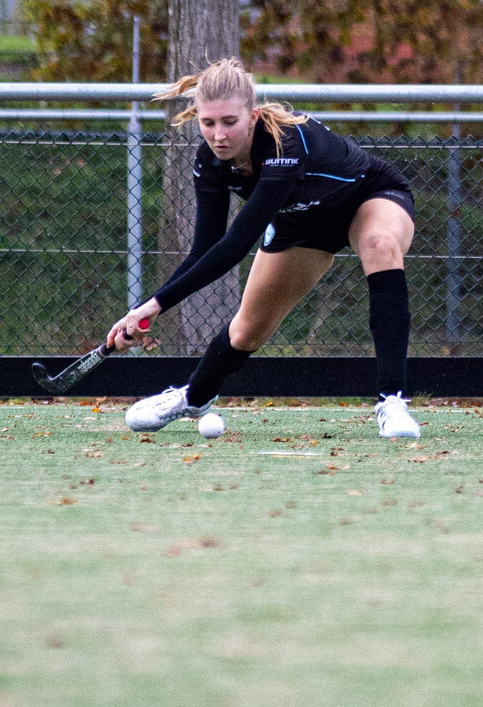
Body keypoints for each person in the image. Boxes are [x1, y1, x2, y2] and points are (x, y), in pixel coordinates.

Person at [103, 57, 420, 441]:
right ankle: (194, 397)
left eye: (229, 122)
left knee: (380, 244)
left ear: (252, 116)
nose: (218, 135)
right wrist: (149, 306)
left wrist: (153, 306)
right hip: (302, 224)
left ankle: (392, 401)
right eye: (208, 123)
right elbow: (205, 248)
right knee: (246, 331)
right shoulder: (210, 162)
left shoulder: (284, 141)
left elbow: (236, 244)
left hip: (367, 197)